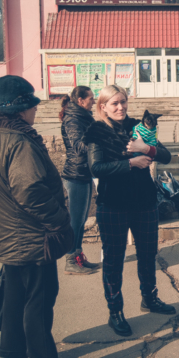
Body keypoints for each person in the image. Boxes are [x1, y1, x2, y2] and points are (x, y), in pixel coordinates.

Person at [0, 75, 77, 358]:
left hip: (6, 235)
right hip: (32, 238)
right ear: (23, 108)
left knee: (15, 297)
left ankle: (15, 355)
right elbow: (30, 192)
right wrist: (59, 221)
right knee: (39, 300)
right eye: (32, 106)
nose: (36, 111)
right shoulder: (20, 142)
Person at [84, 85, 176, 337]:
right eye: (114, 103)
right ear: (103, 106)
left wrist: (145, 149)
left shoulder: (137, 127)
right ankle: (115, 312)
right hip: (113, 204)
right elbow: (96, 168)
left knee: (148, 254)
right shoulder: (97, 131)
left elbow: (166, 156)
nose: (120, 107)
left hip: (145, 201)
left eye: (123, 102)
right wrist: (130, 163)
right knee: (114, 261)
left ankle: (150, 298)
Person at [60, 86, 99, 275]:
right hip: (75, 174)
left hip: (84, 173)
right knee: (75, 221)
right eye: (91, 98)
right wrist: (100, 145)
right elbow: (78, 145)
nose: (94, 100)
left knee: (81, 220)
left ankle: (78, 256)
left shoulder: (83, 116)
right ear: (81, 100)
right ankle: (70, 260)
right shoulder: (73, 119)